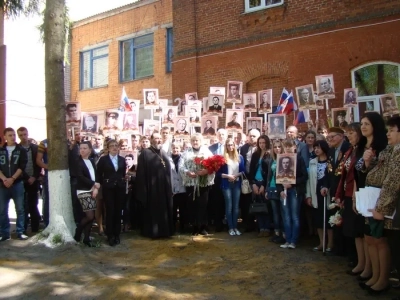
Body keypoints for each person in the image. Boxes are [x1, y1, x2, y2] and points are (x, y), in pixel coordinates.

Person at [352, 112, 387, 290]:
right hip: (364, 193)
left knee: (378, 238)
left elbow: (382, 173)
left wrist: (369, 163)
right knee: (368, 237)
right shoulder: (362, 146)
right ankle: (373, 273)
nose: (363, 127)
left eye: (367, 123)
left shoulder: (382, 147)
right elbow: (359, 173)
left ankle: (383, 279)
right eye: (362, 124)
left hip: (378, 196)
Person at [366, 116, 400, 295]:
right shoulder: (391, 150)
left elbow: (393, 182)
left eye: (392, 130)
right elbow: (378, 175)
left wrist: (382, 209)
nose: (388, 134)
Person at [136, 133, 173, 238]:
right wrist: (143, 190)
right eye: (156, 138)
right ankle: (153, 232)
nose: (159, 140)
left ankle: (165, 232)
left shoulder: (163, 152)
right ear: (151, 140)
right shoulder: (145, 153)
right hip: (151, 189)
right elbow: (141, 173)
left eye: (160, 138)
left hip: (164, 188)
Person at [180, 133, 215, 235]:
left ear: (201, 141)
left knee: (203, 205)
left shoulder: (207, 152)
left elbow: (213, 165)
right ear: (191, 142)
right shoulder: (186, 153)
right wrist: (187, 172)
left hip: (203, 183)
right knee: (192, 205)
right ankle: (195, 227)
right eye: (193, 140)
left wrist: (206, 171)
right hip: (191, 183)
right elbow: (181, 166)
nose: (195, 142)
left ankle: (203, 227)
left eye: (197, 140)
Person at [277, 138, 308, 249]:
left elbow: (304, 176)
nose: (288, 149)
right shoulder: (281, 159)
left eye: (290, 147)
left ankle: (294, 240)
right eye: (286, 147)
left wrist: (292, 184)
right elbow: (278, 177)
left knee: (294, 216)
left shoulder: (299, 159)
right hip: (284, 191)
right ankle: (287, 240)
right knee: (286, 216)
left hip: (294, 191)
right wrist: (280, 190)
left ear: (294, 147)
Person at [96, 139, 127, 246]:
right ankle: (110, 235)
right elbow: (99, 175)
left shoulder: (122, 160)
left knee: (118, 211)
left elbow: (123, 174)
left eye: (116, 145)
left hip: (119, 188)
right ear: (108, 148)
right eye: (112, 146)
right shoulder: (103, 160)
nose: (114, 147)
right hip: (108, 188)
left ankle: (117, 234)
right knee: (110, 211)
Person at [0, 127, 28, 241]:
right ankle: (5, 233)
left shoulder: (21, 150)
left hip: (17, 183)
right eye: (10, 135)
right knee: (2, 209)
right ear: (5, 137)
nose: (12, 137)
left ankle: (20, 231)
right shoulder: (1, 150)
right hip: (3, 184)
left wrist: (12, 178)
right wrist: (4, 179)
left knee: (20, 209)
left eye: (13, 135)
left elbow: (22, 166)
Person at [305, 140, 332, 252]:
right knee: (318, 220)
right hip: (315, 192)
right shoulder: (312, 162)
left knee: (329, 220)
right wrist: (309, 196)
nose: (316, 150)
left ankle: (330, 244)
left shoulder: (330, 162)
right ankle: (322, 243)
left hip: (327, 193)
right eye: (315, 148)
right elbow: (309, 180)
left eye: (319, 148)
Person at [217, 138, 245, 236]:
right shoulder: (223, 158)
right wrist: (228, 176)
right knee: (229, 206)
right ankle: (230, 227)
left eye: (232, 145)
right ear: (226, 146)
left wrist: (235, 176)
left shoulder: (240, 157)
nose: (230, 147)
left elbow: (243, 171)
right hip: (226, 184)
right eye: (228, 145)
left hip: (236, 183)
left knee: (236, 207)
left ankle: (235, 227)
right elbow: (218, 173)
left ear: (234, 145)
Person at [74, 141, 100, 247]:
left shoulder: (91, 161)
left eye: (85, 148)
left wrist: (95, 188)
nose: (82, 150)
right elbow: (80, 177)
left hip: (92, 190)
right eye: (81, 148)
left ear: (90, 150)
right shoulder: (78, 162)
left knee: (92, 216)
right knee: (89, 216)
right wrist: (94, 184)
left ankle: (86, 238)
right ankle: (78, 232)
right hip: (83, 190)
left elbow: (95, 175)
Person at [17, 127, 41, 234]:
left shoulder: (34, 147)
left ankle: (35, 228)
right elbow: (17, 165)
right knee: (22, 206)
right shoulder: (17, 149)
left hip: (34, 179)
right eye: (21, 135)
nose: (23, 137)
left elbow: (38, 163)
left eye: (25, 134)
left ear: (28, 134)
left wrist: (34, 177)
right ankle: (23, 228)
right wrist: (27, 177)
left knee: (33, 204)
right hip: (22, 179)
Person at [249, 135, 272, 237]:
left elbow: (269, 172)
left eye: (264, 143)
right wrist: (253, 183)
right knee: (258, 206)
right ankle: (260, 227)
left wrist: (263, 185)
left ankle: (266, 228)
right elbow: (251, 170)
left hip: (265, 183)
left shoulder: (270, 155)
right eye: (260, 143)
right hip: (255, 182)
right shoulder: (255, 154)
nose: (262, 145)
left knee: (265, 206)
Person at [239, 129, 261, 232]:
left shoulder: (261, 148)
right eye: (250, 136)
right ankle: (247, 223)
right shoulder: (243, 148)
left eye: (254, 136)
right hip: (246, 179)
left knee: (259, 201)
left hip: (258, 179)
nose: (252, 138)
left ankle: (260, 224)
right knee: (246, 202)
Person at [265, 140, 285, 243]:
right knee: (275, 213)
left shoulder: (286, 159)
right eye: (275, 147)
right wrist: (267, 189)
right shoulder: (272, 160)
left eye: (279, 147)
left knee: (282, 212)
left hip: (281, 189)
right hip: (272, 188)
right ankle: (277, 233)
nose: (277, 149)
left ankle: (284, 234)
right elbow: (269, 176)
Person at [208, 129, 227, 232]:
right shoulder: (211, 148)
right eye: (219, 134)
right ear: (216, 135)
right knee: (217, 200)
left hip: (228, 178)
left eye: (223, 134)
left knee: (226, 201)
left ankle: (227, 221)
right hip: (216, 179)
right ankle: (218, 223)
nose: (221, 136)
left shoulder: (230, 147)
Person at [170, 143, 187, 233]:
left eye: (177, 147)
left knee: (183, 209)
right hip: (172, 189)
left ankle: (183, 227)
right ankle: (172, 227)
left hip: (182, 187)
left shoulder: (183, 158)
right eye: (173, 148)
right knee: (173, 209)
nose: (175, 149)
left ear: (180, 148)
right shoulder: (167, 158)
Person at [36, 138, 49, 227]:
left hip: (65, 175)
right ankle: (47, 223)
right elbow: (38, 160)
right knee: (47, 199)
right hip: (48, 175)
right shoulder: (44, 143)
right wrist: (47, 167)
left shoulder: (66, 142)